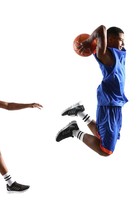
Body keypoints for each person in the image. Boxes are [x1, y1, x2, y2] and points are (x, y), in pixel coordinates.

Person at [56, 25, 127, 156]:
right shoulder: (105, 55)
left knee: (103, 135)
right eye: (121, 40)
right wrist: (89, 41)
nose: (123, 43)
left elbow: (109, 38)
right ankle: (73, 131)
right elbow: (102, 29)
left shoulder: (119, 53)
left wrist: (116, 44)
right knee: (106, 150)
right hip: (109, 104)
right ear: (110, 39)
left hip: (116, 104)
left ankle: (79, 112)